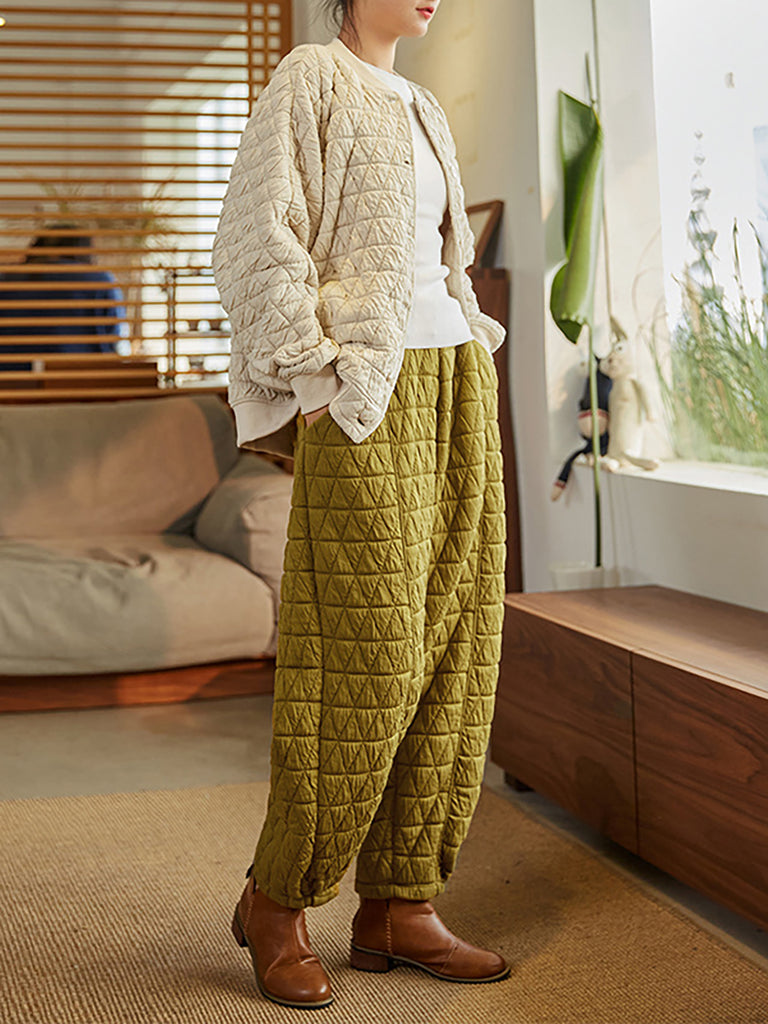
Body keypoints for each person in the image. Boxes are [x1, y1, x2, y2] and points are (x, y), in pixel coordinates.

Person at [212, 0, 509, 1010]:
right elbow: (256, 236)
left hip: (455, 381)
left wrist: (472, 340)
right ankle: (277, 899)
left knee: (456, 644)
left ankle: (400, 905)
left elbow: (436, 260)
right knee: (361, 656)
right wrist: (315, 376)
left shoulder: (422, 102)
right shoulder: (310, 76)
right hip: (365, 395)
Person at [0, 224, 126, 374]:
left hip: (12, 380)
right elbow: (114, 339)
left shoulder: (6, 279)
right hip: (81, 380)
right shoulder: (100, 281)